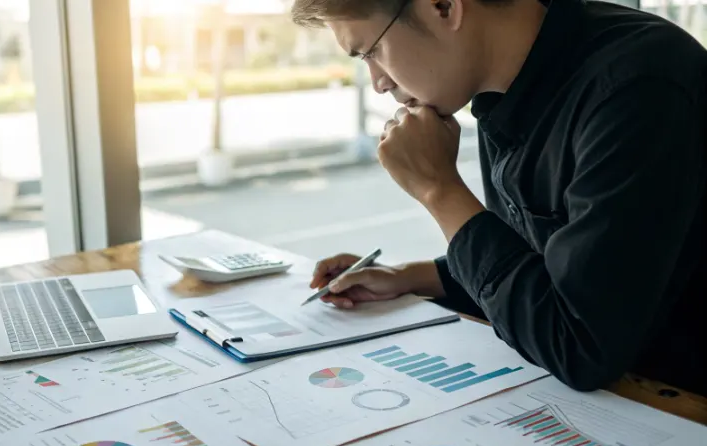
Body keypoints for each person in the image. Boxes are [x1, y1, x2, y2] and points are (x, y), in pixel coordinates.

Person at [292, 0, 707, 395]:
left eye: (372, 51)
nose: (379, 83)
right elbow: (541, 264)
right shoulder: (501, 86)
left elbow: (580, 346)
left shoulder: (636, 87)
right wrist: (410, 277)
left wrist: (439, 191)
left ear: (444, 6)